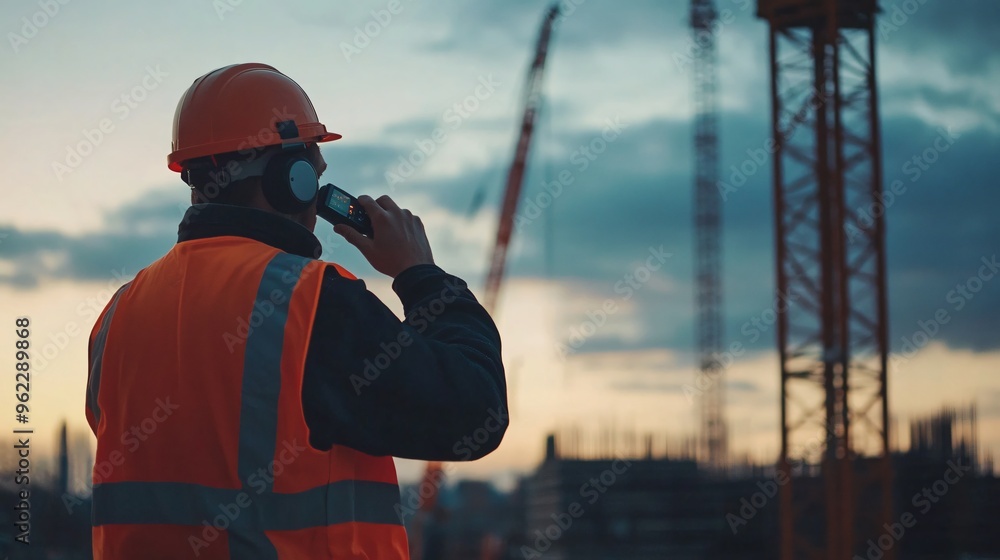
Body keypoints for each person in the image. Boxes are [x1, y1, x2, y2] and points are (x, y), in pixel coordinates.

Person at [85, 62, 507, 559]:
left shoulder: (118, 317)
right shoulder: (308, 305)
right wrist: (421, 276)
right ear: (292, 178)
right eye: (315, 170)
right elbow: (475, 411)